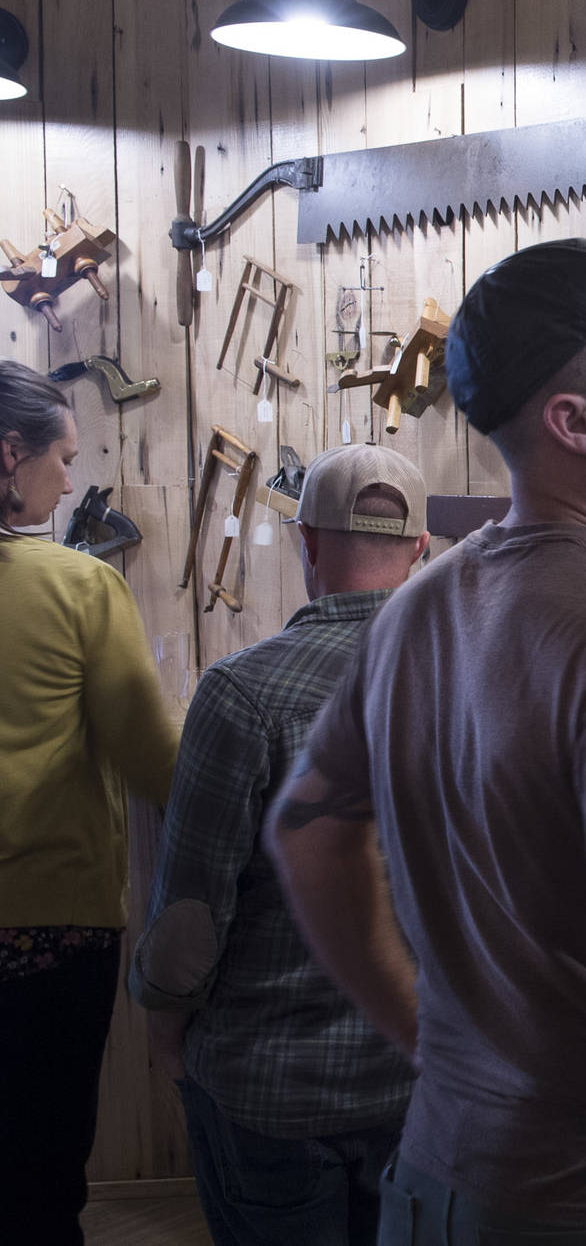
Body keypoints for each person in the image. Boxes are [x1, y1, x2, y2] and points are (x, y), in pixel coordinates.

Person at [264, 238, 586, 1245]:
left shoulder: (416, 611)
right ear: (575, 421)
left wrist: (429, 1038)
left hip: (435, 1181)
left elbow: (306, 834)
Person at [130, 444, 431, 1246]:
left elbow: (190, 913)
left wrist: (166, 1034)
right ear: (422, 549)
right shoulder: (482, 688)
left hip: (269, 1091)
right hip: (422, 1088)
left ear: (308, 542)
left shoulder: (241, 692)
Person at [0, 360, 180, 1246]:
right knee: (38, 1179)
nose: (71, 482)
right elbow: (152, 759)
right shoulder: (78, 585)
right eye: (64, 459)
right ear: (11, 453)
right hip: (48, 925)